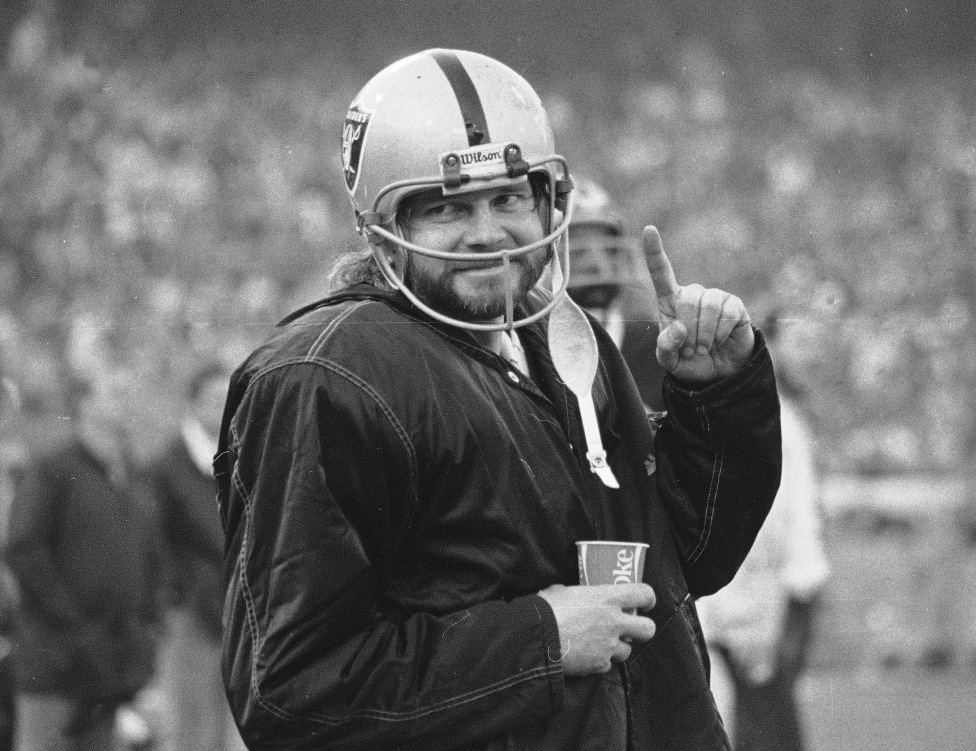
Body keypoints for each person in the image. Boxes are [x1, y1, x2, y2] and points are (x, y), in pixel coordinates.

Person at [216, 48, 782, 751]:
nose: (488, 232)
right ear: (385, 224)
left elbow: (683, 559)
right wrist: (539, 641)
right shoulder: (329, 375)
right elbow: (293, 693)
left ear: (547, 200)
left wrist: (716, 398)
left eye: (508, 198)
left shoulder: (561, 337)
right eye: (448, 206)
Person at [5, 371, 164, 751]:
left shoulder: (135, 476)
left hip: (110, 668)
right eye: (113, 392)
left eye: (127, 393)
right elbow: (24, 551)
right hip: (55, 663)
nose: (123, 402)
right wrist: (75, 620)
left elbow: (152, 559)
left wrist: (144, 630)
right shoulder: (53, 470)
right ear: (84, 405)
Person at [696, 310, 830, 751]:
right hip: (760, 607)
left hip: (789, 598)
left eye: (815, 345)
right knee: (760, 727)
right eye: (799, 342)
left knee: (769, 724)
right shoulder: (764, 418)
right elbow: (759, 525)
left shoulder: (789, 417)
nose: (809, 356)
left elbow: (801, 519)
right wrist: (754, 619)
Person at [147, 361, 245, 751]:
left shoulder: (241, 459)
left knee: (236, 733)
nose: (223, 410)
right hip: (191, 618)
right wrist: (181, 596)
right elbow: (156, 544)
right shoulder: (167, 465)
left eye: (229, 400)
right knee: (194, 732)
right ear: (193, 403)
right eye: (214, 400)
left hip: (238, 616)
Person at [565, 177, 664, 412]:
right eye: (577, 249)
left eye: (607, 249)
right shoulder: (527, 349)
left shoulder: (659, 345)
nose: (596, 266)